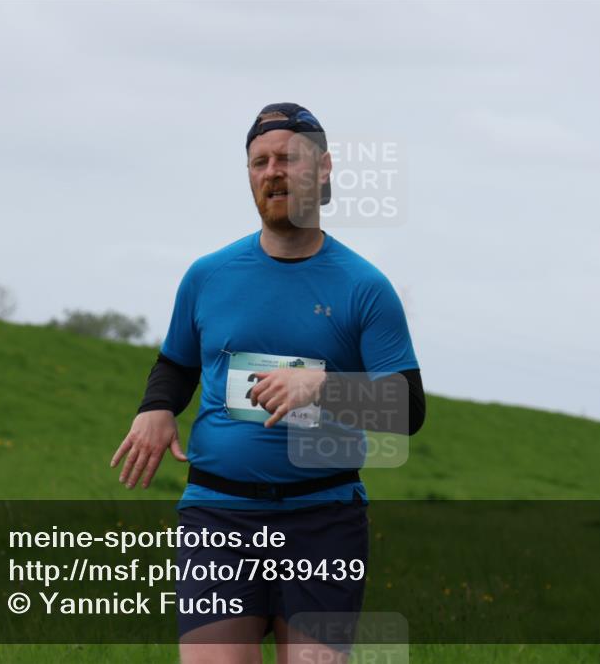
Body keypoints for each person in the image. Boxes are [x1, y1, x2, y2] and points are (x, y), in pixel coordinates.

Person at [110, 102, 425, 664]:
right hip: (218, 513)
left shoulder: (365, 287)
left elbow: (408, 410)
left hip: (323, 518)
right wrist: (156, 408)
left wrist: (320, 387)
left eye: (288, 158)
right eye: (259, 162)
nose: (272, 171)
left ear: (323, 168)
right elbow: (178, 362)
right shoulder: (208, 275)